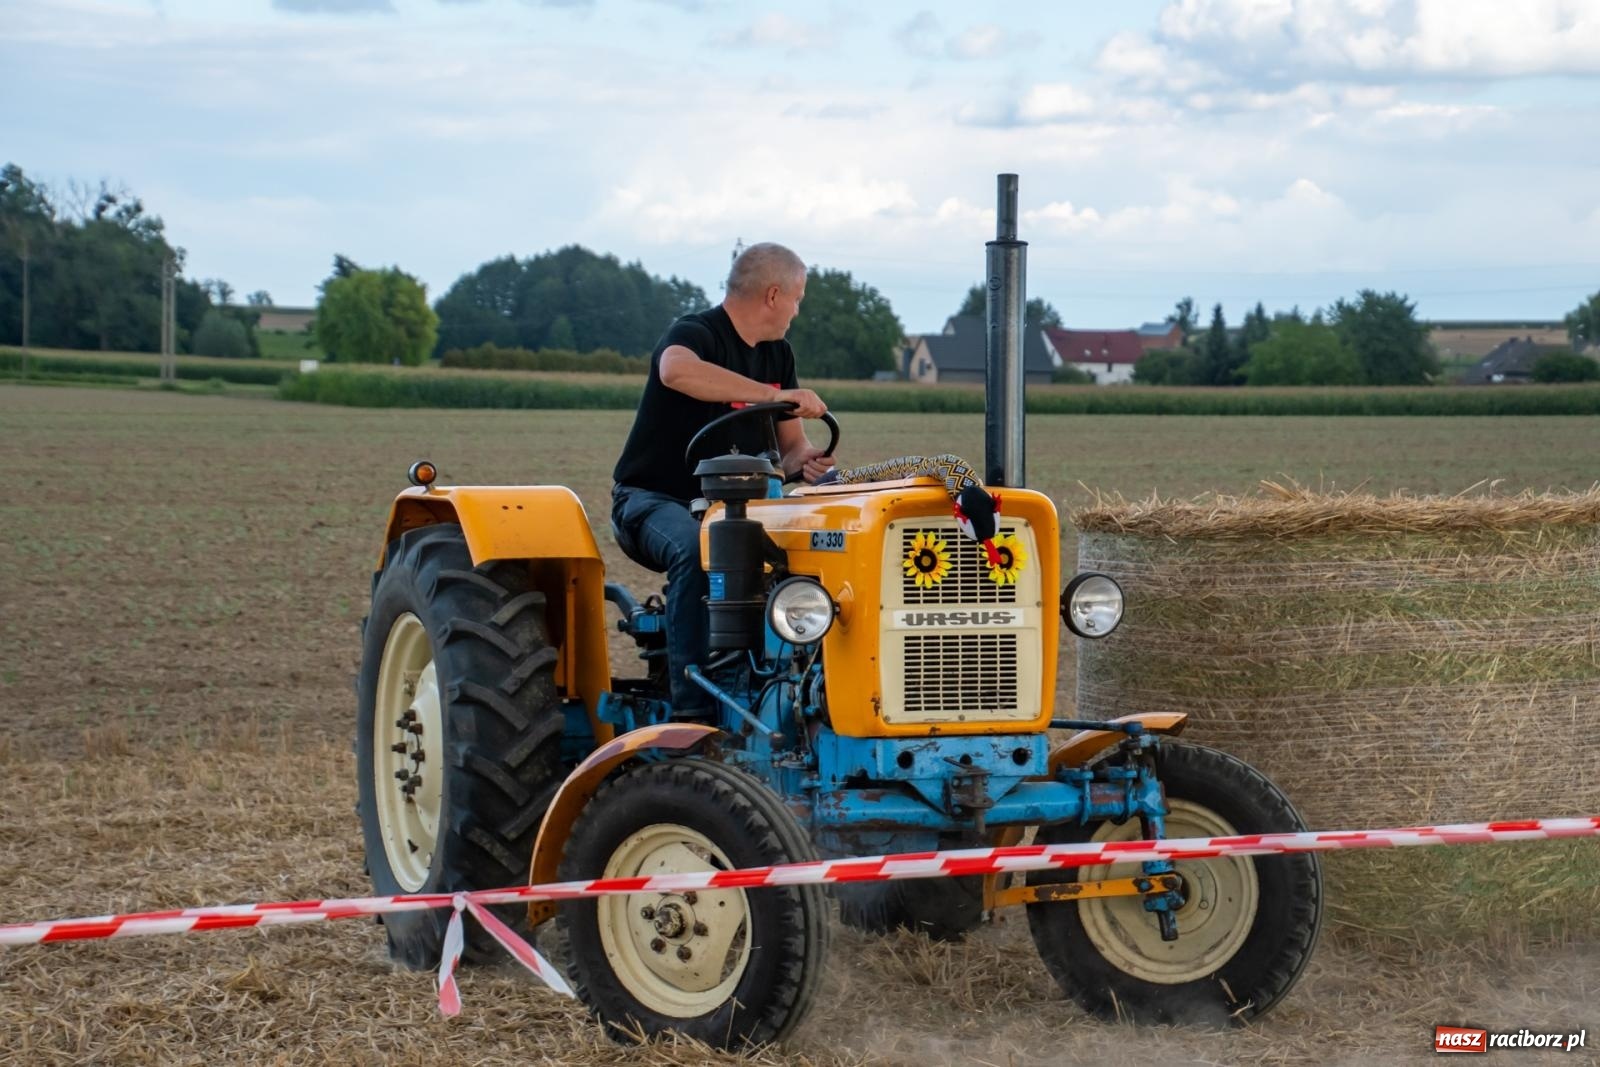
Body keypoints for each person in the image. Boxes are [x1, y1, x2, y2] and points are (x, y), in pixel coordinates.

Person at [611, 242, 835, 714]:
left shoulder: (778, 354)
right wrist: (768, 395)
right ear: (774, 295)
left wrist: (807, 461)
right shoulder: (695, 333)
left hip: (742, 509)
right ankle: (694, 712)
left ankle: (798, 693)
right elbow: (676, 371)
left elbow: (790, 448)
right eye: (797, 299)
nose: (797, 310)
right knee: (699, 548)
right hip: (652, 501)